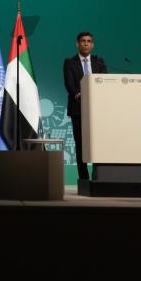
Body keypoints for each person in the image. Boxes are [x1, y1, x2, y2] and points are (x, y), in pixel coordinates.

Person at [63, 32, 108, 181]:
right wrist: (78, 93)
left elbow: (105, 81)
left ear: (93, 44)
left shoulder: (99, 62)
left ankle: (99, 176)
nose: (86, 43)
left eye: (89, 41)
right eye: (83, 41)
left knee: (99, 143)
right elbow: (69, 84)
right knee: (81, 145)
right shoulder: (69, 62)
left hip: (98, 110)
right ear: (78, 44)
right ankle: (84, 179)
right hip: (78, 109)